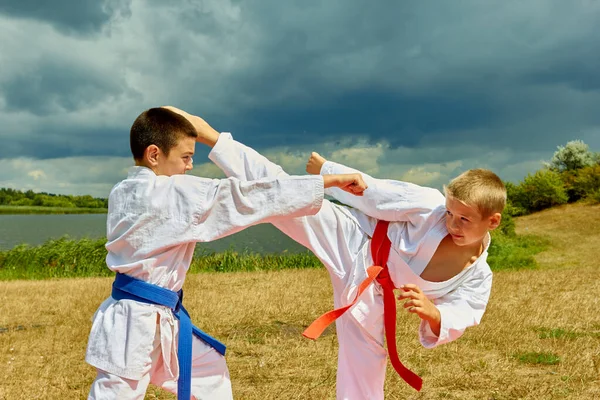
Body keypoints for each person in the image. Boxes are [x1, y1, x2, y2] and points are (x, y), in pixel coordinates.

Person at [176, 107, 505, 400]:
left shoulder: (479, 277)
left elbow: (464, 313)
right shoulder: (430, 205)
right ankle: (211, 136)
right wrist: (327, 170)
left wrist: (433, 313)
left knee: (364, 377)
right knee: (288, 195)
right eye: (450, 213)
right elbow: (377, 194)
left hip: (374, 298)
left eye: (465, 219)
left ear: (493, 221)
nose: (452, 223)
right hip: (356, 241)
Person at [85, 107, 368, 400]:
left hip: (155, 317)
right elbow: (246, 196)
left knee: (209, 369)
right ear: (154, 154)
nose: (190, 166)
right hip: (133, 328)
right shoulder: (169, 195)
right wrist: (327, 182)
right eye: (185, 157)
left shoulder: (124, 190)